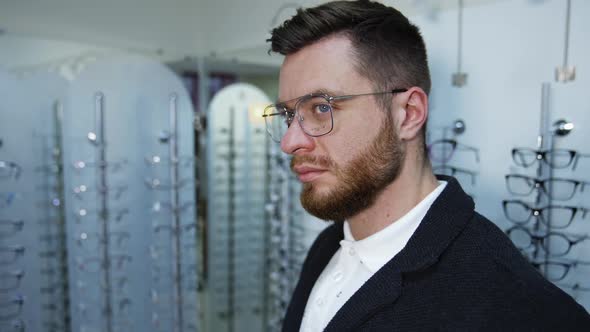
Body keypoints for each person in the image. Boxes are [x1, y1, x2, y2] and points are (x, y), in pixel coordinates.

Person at [262, 0, 590, 331]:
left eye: (321, 108)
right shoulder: (328, 247)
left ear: (408, 114)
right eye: (290, 115)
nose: (290, 142)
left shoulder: (515, 306)